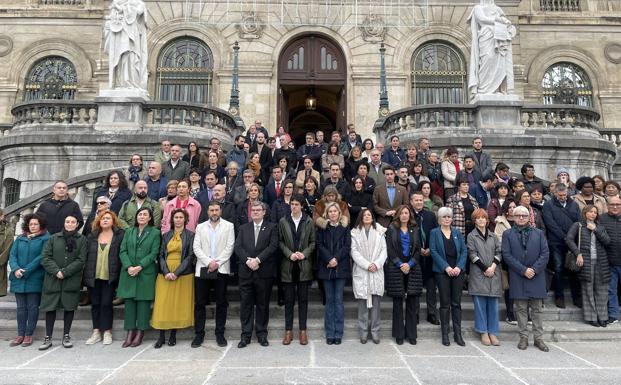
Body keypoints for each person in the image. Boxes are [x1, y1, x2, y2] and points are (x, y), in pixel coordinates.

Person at [502, 205, 550, 352]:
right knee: (521, 309)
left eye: (524, 215)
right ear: (513, 217)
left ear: (529, 217)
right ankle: (523, 337)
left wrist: (534, 269)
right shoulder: (507, 234)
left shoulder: (539, 233)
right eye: (518, 215)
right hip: (518, 275)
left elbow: (545, 253)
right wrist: (523, 270)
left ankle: (538, 338)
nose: (521, 218)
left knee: (537, 309)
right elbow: (506, 254)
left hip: (537, 275)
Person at [38, 215, 87, 350]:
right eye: (67, 222)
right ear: (64, 223)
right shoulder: (54, 238)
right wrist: (56, 271)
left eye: (73, 222)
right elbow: (45, 257)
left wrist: (65, 272)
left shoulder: (82, 240)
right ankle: (48, 337)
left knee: (69, 307)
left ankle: (66, 335)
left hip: (71, 279)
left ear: (77, 224)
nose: (70, 224)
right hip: (53, 278)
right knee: (50, 307)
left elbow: (81, 259)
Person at [235, 202, 279, 348]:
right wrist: (248, 261)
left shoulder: (272, 227)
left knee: (262, 304)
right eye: (253, 210)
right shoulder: (243, 228)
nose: (255, 212)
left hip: (263, 272)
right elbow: (238, 247)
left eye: (258, 210)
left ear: (264, 212)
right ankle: (245, 335)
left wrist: (258, 260)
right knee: (246, 305)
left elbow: (273, 246)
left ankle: (261, 334)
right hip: (246, 272)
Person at [193, 201, 235, 348]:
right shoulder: (200, 227)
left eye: (217, 210)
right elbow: (196, 247)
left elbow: (230, 247)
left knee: (221, 303)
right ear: (208, 212)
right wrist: (208, 262)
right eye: (211, 210)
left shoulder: (229, 226)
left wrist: (217, 263)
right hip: (203, 269)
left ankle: (220, 333)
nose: (214, 213)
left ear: (221, 211)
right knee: (199, 303)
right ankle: (199, 334)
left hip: (221, 268)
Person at [117, 207, 161, 348]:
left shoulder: (155, 233)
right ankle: (130, 332)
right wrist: (129, 266)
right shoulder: (129, 231)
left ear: (149, 218)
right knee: (129, 303)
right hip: (129, 272)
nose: (141, 216)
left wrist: (140, 266)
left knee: (143, 304)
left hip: (145, 272)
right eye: (140, 214)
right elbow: (122, 250)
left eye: (145, 215)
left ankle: (140, 332)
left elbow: (154, 253)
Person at [152, 209, 195, 348]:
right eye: (175, 217)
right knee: (163, 304)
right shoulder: (165, 235)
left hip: (182, 273)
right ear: (172, 219)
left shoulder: (191, 235)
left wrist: (176, 272)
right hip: (165, 273)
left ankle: (173, 335)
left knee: (176, 304)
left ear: (185, 219)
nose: (178, 219)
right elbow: (160, 255)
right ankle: (161, 336)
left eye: (181, 217)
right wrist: (166, 272)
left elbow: (190, 256)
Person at [278, 195, 316, 345]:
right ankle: (288, 331)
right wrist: (289, 254)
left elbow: (313, 242)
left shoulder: (308, 221)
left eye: (296, 204)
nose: (293, 207)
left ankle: (302, 331)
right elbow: (280, 241)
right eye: (292, 204)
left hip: (303, 267)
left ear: (301, 206)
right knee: (288, 300)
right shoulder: (283, 221)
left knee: (303, 300)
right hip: (288, 266)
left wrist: (304, 254)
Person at [8, 213, 50, 348]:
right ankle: (20, 334)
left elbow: (42, 257)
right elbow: (12, 255)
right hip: (18, 277)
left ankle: (28, 334)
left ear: (40, 225)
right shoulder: (20, 238)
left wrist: (26, 270)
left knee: (32, 307)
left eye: (36, 224)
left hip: (34, 277)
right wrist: (15, 269)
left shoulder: (45, 238)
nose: (33, 226)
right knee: (20, 308)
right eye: (31, 224)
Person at [565, 205, 611, 327]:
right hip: (586, 262)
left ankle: (602, 317)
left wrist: (595, 230)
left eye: (595, 212)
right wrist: (578, 253)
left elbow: (607, 241)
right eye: (590, 212)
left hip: (601, 262)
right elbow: (568, 239)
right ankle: (591, 318)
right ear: (585, 213)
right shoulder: (578, 225)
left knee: (602, 290)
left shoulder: (600, 226)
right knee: (588, 290)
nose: (593, 214)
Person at [84, 210, 125, 345]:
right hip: (93, 276)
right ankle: (96, 332)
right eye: (103, 218)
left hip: (109, 276)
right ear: (99, 221)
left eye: (108, 218)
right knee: (95, 304)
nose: (105, 220)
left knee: (106, 304)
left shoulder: (119, 236)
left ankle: (107, 331)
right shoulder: (92, 236)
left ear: (113, 221)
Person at [430, 207, 468, 347]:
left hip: (458, 272)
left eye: (449, 217)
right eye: (444, 217)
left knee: (456, 303)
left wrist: (458, 267)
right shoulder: (434, 233)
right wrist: (446, 267)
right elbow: (433, 252)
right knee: (445, 303)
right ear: (439, 219)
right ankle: (445, 334)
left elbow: (464, 251)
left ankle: (458, 334)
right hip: (442, 272)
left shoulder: (457, 232)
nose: (447, 219)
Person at [385, 206, 422, 345]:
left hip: (412, 268)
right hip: (396, 267)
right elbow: (389, 249)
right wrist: (400, 264)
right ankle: (399, 334)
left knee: (412, 301)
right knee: (398, 302)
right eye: (402, 213)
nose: (405, 215)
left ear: (410, 215)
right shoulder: (392, 229)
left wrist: (410, 264)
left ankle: (411, 334)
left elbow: (418, 249)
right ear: (398, 215)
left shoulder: (415, 229)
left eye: (407, 213)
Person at [316, 202, 351, 345]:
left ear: (339, 213)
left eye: (335, 211)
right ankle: (330, 333)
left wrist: (336, 258)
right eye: (330, 211)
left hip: (340, 267)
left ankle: (339, 333)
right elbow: (319, 245)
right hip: (326, 267)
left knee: (338, 301)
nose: (332, 213)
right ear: (327, 213)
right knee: (329, 301)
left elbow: (347, 246)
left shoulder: (345, 228)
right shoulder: (322, 228)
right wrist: (329, 258)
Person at [351, 208, 387, 344]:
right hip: (362, 270)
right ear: (360, 217)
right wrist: (367, 265)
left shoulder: (380, 232)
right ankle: (363, 332)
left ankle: (375, 332)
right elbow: (354, 252)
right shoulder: (354, 233)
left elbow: (384, 251)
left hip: (376, 270)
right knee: (362, 305)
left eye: (369, 215)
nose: (367, 217)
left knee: (376, 305)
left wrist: (376, 264)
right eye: (364, 215)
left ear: (372, 217)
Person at [542, 183, 581, 308]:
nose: (563, 197)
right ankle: (559, 297)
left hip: (572, 242)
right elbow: (550, 223)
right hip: (556, 242)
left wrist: (570, 237)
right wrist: (564, 237)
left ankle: (577, 297)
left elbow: (578, 221)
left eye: (565, 194)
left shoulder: (574, 204)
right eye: (561, 195)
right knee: (558, 268)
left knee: (573, 269)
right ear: (555, 194)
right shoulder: (548, 205)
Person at [467, 209, 502, 346]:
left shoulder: (494, 236)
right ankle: (483, 331)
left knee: (493, 304)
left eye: (483, 218)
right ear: (474, 221)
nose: (481, 220)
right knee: (480, 304)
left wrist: (492, 267)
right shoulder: (471, 236)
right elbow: (472, 254)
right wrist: (485, 268)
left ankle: (493, 332)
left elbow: (499, 252)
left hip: (493, 273)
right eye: (478, 218)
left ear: (487, 220)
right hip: (479, 273)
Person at [467, 0, 515, 95]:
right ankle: (484, 90)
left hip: (499, 36)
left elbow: (506, 22)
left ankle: (496, 89)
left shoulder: (498, 9)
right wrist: (498, 20)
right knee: (488, 58)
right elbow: (482, 19)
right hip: (486, 35)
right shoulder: (478, 8)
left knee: (500, 62)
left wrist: (505, 21)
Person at [410, 192, 440, 325]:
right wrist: (418, 250)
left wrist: (430, 249)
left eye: (421, 200)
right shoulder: (408, 215)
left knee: (431, 287)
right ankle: (414, 314)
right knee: (415, 287)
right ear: (411, 202)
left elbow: (435, 234)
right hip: (414, 257)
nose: (419, 202)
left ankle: (431, 313)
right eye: (416, 200)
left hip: (429, 256)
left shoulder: (430, 215)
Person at [494, 199, 518, 324]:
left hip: (521, 259)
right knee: (509, 286)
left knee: (521, 286)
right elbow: (498, 240)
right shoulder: (500, 222)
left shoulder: (522, 220)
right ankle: (510, 313)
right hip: (507, 258)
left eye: (514, 206)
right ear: (506, 209)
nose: (512, 209)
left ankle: (524, 314)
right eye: (510, 207)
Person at [601, 196, 621, 324]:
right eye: (612, 204)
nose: (615, 207)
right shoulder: (601, 219)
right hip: (609, 261)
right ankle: (613, 315)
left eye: (618, 204)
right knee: (611, 290)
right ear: (607, 205)